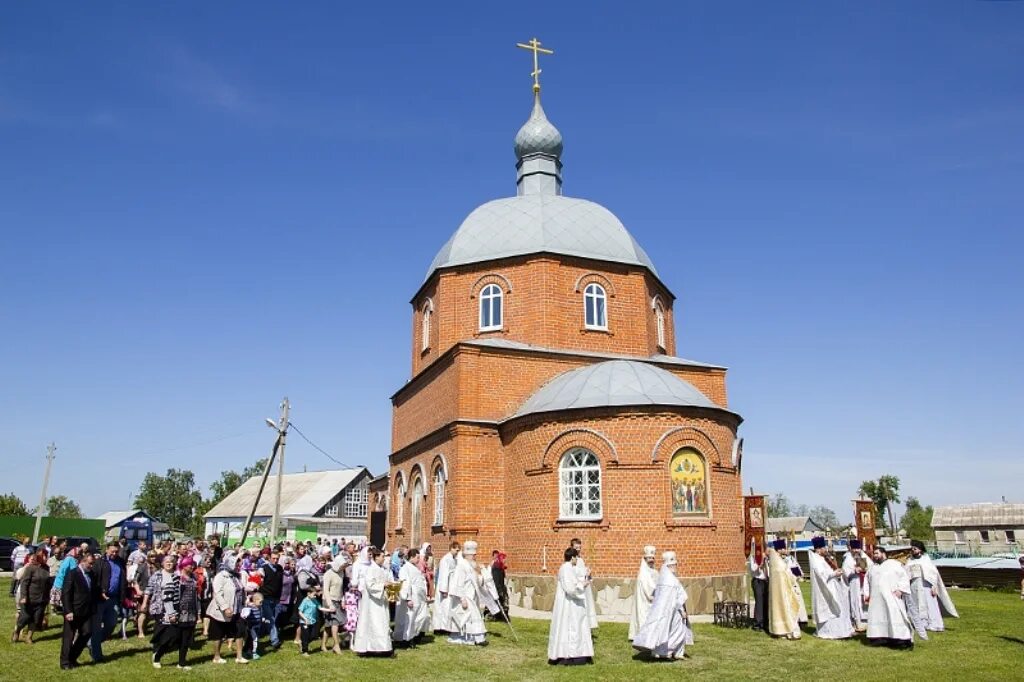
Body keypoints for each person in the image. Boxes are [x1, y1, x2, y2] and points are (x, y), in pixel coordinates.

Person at [632, 551, 693, 660]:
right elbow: (673, 598)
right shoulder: (669, 580)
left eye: (675, 564)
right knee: (673, 632)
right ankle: (667, 652)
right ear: (668, 566)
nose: (675, 567)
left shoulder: (666, 578)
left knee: (674, 631)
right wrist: (681, 610)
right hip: (672, 612)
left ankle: (677, 652)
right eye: (672, 565)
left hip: (673, 612)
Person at [548, 547, 594, 665]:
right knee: (570, 627)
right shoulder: (566, 568)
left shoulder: (569, 567)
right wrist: (582, 585)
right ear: (572, 557)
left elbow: (578, 573)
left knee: (579, 626)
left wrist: (587, 574)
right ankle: (568, 654)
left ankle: (580, 653)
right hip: (568, 604)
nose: (577, 560)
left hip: (573, 604)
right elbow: (570, 588)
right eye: (576, 558)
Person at [152, 556, 200, 670]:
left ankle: (182, 663)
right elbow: (167, 597)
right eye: (190, 564)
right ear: (183, 565)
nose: (192, 567)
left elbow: (195, 598)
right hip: (177, 614)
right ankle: (157, 657)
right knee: (171, 638)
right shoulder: (175, 578)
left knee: (185, 640)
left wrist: (198, 613)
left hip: (190, 614)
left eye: (193, 564)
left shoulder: (193, 579)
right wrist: (171, 614)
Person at [865, 546, 914, 649]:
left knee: (895, 617)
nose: (875, 555)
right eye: (874, 554)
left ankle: (899, 640)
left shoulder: (894, 564)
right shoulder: (872, 568)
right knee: (877, 617)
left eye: (877, 553)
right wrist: (866, 594)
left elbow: (903, 577)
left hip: (891, 597)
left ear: (883, 553)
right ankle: (879, 639)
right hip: (876, 600)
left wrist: (900, 589)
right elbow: (866, 582)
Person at [906, 539, 958, 632]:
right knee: (916, 604)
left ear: (920, 550)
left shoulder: (926, 560)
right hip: (914, 585)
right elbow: (906, 572)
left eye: (915, 548)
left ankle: (935, 624)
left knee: (930, 604)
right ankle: (921, 624)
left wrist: (934, 586)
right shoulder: (910, 560)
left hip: (926, 585)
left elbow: (932, 574)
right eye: (912, 549)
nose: (913, 550)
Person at [808, 537, 854, 640]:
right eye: (824, 548)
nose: (826, 550)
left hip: (832, 585)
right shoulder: (815, 559)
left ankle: (841, 630)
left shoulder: (821, 559)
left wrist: (836, 572)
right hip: (825, 589)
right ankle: (830, 632)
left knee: (838, 606)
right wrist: (834, 573)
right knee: (830, 608)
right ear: (818, 549)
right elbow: (821, 574)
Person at [60, 549, 99, 670]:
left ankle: (73, 657)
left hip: (87, 611)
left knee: (87, 632)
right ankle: (65, 662)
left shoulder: (91, 574)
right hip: (74, 611)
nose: (91, 566)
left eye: (93, 564)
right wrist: (68, 611)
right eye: (90, 563)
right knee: (69, 637)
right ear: (82, 562)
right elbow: (66, 593)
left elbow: (92, 591)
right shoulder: (73, 573)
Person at [207, 553, 247, 665]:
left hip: (237, 609)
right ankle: (216, 656)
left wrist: (244, 603)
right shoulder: (221, 576)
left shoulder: (237, 576)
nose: (239, 566)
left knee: (240, 631)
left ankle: (239, 656)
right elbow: (218, 593)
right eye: (237, 564)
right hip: (222, 611)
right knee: (219, 633)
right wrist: (225, 607)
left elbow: (241, 591)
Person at [352, 547, 393, 656]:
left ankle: (382, 647)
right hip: (372, 603)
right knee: (374, 623)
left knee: (381, 623)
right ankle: (371, 648)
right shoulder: (371, 569)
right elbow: (370, 585)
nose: (384, 558)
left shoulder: (380, 569)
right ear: (376, 557)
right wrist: (383, 585)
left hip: (380, 601)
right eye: (382, 556)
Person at [90, 541, 126, 662]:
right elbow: (93, 580)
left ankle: (91, 642)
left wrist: (122, 597)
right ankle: (97, 655)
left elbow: (122, 580)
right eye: (112, 551)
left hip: (114, 598)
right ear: (107, 550)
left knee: (111, 624)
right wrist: (100, 592)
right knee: (96, 626)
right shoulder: (99, 563)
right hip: (100, 599)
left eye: (116, 551)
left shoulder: (120, 562)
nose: (114, 554)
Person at [447, 540, 487, 646]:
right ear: (467, 555)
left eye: (475, 555)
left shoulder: (470, 566)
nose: (475, 557)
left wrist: (482, 576)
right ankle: (477, 638)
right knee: (470, 616)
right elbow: (458, 583)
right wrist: (462, 598)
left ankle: (476, 638)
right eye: (473, 555)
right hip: (465, 597)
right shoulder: (461, 565)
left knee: (474, 617)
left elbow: (474, 580)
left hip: (472, 596)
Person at [766, 539, 802, 639]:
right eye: (784, 548)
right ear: (780, 549)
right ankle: (787, 631)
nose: (785, 550)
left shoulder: (776, 559)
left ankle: (784, 631)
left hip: (782, 590)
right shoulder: (777, 561)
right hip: (783, 591)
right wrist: (794, 578)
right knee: (787, 610)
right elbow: (786, 574)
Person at [394, 547, 430, 645]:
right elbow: (405, 584)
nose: (419, 560)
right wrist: (408, 598)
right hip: (412, 597)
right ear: (412, 557)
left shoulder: (414, 568)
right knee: (409, 618)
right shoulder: (405, 568)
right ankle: (406, 638)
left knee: (421, 617)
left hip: (419, 597)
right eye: (417, 557)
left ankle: (416, 634)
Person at [13, 550, 49, 644]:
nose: (45, 558)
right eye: (43, 556)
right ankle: (17, 632)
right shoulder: (30, 568)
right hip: (30, 598)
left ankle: (29, 637)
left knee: (35, 619)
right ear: (39, 558)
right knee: (24, 618)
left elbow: (48, 583)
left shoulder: (46, 568)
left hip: (41, 599)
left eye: (46, 556)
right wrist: (24, 596)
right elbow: (24, 583)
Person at [841, 539, 872, 632]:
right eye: (854, 549)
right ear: (851, 549)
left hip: (864, 583)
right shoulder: (848, 559)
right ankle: (857, 622)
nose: (856, 551)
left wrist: (866, 569)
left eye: (857, 549)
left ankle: (867, 621)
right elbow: (845, 572)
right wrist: (854, 570)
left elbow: (871, 566)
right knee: (856, 601)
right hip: (854, 583)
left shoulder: (864, 556)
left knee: (865, 600)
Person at [628, 545, 657, 642]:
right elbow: (648, 586)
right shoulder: (643, 572)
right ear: (645, 559)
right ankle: (642, 634)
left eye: (653, 558)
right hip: (645, 599)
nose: (651, 560)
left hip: (651, 597)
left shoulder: (653, 570)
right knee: (643, 615)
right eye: (649, 558)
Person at [569, 538, 598, 629]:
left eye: (579, 547)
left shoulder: (580, 559)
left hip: (585, 588)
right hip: (578, 588)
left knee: (586, 607)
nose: (578, 549)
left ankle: (586, 626)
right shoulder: (572, 560)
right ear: (572, 547)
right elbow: (573, 574)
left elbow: (582, 572)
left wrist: (588, 573)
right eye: (576, 547)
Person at [321, 554, 346, 653]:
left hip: (338, 600)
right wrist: (330, 604)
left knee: (328, 625)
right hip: (329, 601)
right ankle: (336, 645)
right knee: (335, 623)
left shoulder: (341, 573)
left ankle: (323, 645)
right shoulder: (328, 574)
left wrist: (342, 599)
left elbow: (340, 588)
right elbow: (325, 590)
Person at [258, 550, 283, 649]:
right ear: (269, 558)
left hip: (276, 598)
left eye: (277, 559)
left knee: (272, 620)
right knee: (270, 620)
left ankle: (258, 635)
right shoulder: (264, 569)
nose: (275, 561)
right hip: (266, 598)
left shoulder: (280, 568)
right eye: (273, 558)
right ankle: (275, 641)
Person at [432, 541, 459, 634]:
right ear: (451, 548)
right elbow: (443, 575)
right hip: (444, 586)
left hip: (450, 585)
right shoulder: (446, 559)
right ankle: (440, 628)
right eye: (456, 550)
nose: (457, 552)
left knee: (447, 608)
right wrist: (444, 589)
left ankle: (445, 626)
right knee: (443, 607)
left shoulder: (453, 559)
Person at [748, 538, 769, 632]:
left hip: (765, 580)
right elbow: (753, 569)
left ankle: (765, 622)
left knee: (766, 602)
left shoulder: (766, 556)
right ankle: (757, 624)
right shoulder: (753, 556)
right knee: (759, 602)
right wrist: (760, 562)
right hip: (758, 581)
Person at [298, 586, 325, 656]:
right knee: (305, 636)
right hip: (305, 622)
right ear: (308, 594)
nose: (315, 597)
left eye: (315, 595)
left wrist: (330, 610)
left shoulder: (314, 600)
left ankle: (303, 644)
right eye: (314, 595)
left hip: (312, 621)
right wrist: (305, 619)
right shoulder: (305, 601)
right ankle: (305, 651)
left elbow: (320, 608)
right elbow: (300, 612)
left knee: (314, 635)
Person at [491, 550, 509, 620]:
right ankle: (495, 616)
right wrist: (500, 590)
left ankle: (500, 617)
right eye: (504, 558)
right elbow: (496, 580)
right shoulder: (496, 567)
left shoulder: (501, 566)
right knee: (498, 603)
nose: (505, 560)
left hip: (501, 587)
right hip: (497, 588)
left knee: (503, 603)